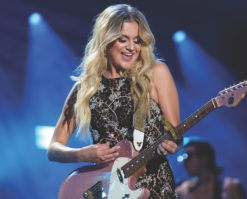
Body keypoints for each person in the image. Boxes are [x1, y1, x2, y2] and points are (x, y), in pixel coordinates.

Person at [47, 4, 180, 198]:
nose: (131, 47)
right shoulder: (85, 88)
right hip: (108, 191)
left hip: (154, 186)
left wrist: (174, 143)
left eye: (137, 40)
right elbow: (53, 148)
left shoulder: (155, 73)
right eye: (122, 39)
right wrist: (83, 153)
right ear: (106, 41)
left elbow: (175, 132)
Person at [176, 138, 246, 199]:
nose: (184, 161)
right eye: (183, 157)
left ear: (204, 158)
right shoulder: (182, 191)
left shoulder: (231, 187)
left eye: (188, 156)